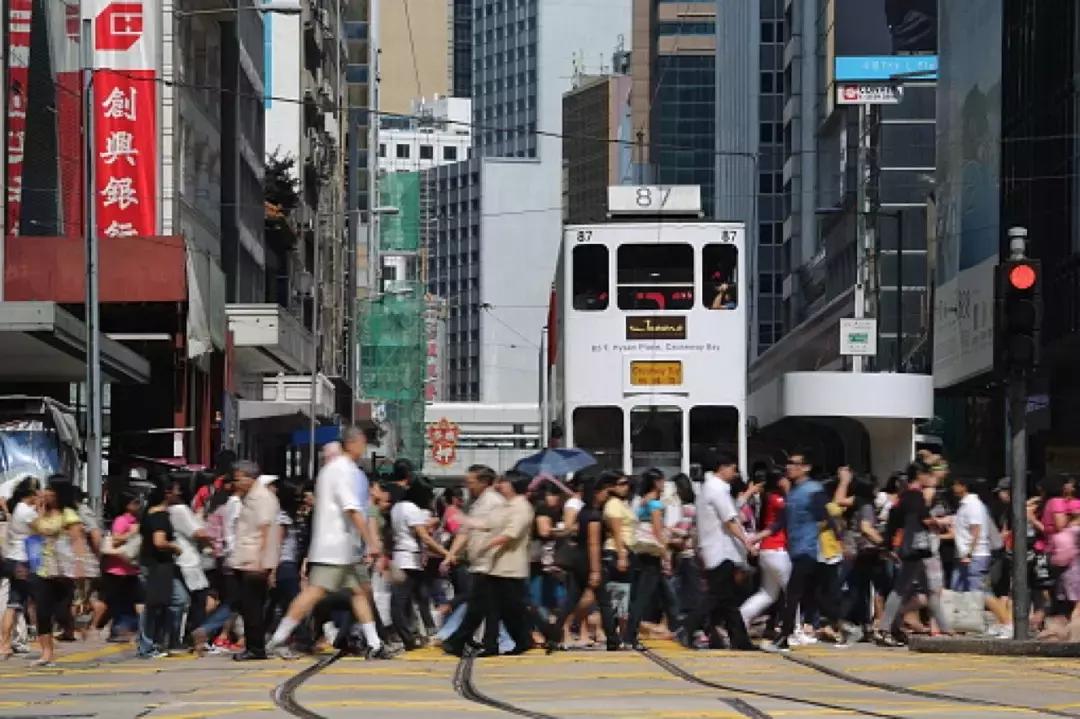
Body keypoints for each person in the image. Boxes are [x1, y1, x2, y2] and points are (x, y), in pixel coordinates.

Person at [267, 426, 391, 659]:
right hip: (335, 546)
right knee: (313, 593)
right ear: (352, 444)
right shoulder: (342, 470)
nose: (363, 448)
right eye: (363, 443)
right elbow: (352, 509)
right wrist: (371, 540)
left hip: (342, 548)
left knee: (358, 592)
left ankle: (375, 643)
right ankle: (277, 639)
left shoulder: (330, 470)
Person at [680, 452, 756, 651]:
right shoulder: (717, 489)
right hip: (721, 550)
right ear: (722, 467)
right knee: (715, 597)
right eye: (733, 468)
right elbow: (730, 521)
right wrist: (747, 542)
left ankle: (739, 640)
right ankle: (687, 626)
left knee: (727, 600)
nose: (735, 472)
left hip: (715, 549)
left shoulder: (709, 488)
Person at [877, 460, 948, 646]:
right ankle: (884, 628)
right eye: (927, 474)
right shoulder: (916, 497)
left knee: (929, 590)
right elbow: (924, 519)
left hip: (910, 549)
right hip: (917, 549)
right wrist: (941, 523)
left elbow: (892, 521)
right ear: (920, 476)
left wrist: (887, 547)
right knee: (902, 589)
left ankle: (945, 629)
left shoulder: (903, 497)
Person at [485, 470, 553, 654]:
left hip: (512, 565)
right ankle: (494, 643)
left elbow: (510, 534)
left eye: (505, 483)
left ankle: (547, 633)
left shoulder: (523, 506)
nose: (500, 485)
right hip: (500, 563)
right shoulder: (507, 505)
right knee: (499, 607)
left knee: (519, 607)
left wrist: (485, 545)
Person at [765, 450, 827, 653]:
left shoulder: (813, 490)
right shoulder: (792, 492)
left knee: (793, 593)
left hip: (808, 550)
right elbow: (780, 521)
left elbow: (824, 518)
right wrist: (758, 537)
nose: (789, 467)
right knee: (811, 594)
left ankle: (784, 637)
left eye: (795, 463)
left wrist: (812, 538)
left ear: (806, 467)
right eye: (789, 463)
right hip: (795, 549)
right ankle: (840, 624)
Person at [440, 465, 505, 656]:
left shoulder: (494, 502)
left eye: (471, 482)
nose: (468, 486)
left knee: (481, 605)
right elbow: (465, 532)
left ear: (484, 482)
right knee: (486, 605)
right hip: (478, 562)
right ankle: (485, 642)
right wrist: (451, 555)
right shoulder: (476, 503)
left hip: (490, 561)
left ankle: (460, 641)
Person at [552, 472, 621, 652]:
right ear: (596, 493)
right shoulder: (594, 516)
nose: (607, 496)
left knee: (571, 601)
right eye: (605, 492)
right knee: (604, 602)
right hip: (590, 562)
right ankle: (613, 639)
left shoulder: (583, 513)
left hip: (578, 561)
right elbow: (593, 544)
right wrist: (596, 571)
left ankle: (552, 635)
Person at [31, 477, 97, 666]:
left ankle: (79, 627)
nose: (46, 493)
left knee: (61, 611)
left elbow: (77, 541)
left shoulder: (69, 514)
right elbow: (35, 533)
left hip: (63, 571)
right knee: (42, 611)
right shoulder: (44, 513)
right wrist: (39, 511)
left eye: (50, 490)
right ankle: (46, 653)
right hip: (44, 568)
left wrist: (79, 564)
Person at [228, 467, 280, 661]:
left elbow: (266, 529)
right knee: (247, 605)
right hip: (245, 559)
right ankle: (253, 646)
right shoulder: (250, 497)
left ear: (250, 478)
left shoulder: (261, 498)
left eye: (239, 479)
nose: (236, 483)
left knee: (253, 607)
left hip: (254, 560)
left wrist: (262, 559)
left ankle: (256, 649)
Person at [623, 468, 679, 648]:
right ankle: (630, 636)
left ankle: (678, 627)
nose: (664, 485)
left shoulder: (641, 503)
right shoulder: (655, 504)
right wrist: (665, 553)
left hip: (640, 552)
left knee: (665, 595)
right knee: (643, 597)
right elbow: (657, 530)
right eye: (662, 481)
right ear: (656, 483)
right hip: (652, 554)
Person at [951, 475, 1012, 638]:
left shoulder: (973, 505)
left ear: (964, 486)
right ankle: (963, 626)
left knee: (982, 592)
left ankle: (1007, 623)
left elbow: (976, 529)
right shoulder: (965, 505)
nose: (952, 487)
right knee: (962, 590)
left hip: (976, 555)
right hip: (967, 555)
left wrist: (969, 553)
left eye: (955, 484)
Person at [389, 479, 446, 650]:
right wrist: (446, 553)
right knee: (404, 601)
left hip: (401, 557)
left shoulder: (397, 507)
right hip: (409, 560)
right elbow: (425, 537)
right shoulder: (412, 509)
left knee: (415, 598)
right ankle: (410, 638)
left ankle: (417, 634)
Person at [137, 480, 183, 659]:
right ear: (167, 492)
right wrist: (175, 548)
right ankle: (148, 645)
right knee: (153, 605)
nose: (180, 493)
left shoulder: (151, 512)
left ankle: (164, 640)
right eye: (177, 489)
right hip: (157, 566)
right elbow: (159, 542)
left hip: (156, 565)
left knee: (178, 600)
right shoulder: (160, 515)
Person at [741, 469, 791, 631]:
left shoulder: (767, 497)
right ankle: (793, 628)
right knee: (791, 592)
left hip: (767, 550)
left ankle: (742, 617)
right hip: (778, 550)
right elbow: (785, 516)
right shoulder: (777, 499)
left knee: (768, 594)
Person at [0, 477, 39, 658]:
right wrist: (42, 508)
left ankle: (5, 644)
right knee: (38, 598)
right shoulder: (26, 512)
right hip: (23, 562)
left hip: (13, 560)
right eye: (37, 492)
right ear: (31, 494)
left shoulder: (17, 508)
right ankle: (10, 642)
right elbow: (44, 529)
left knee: (13, 604)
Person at [101, 491, 142, 642]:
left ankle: (123, 630)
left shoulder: (135, 520)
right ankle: (120, 631)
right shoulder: (122, 520)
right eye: (135, 502)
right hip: (118, 569)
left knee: (128, 602)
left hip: (130, 568)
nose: (138, 505)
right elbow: (115, 539)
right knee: (121, 603)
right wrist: (131, 533)